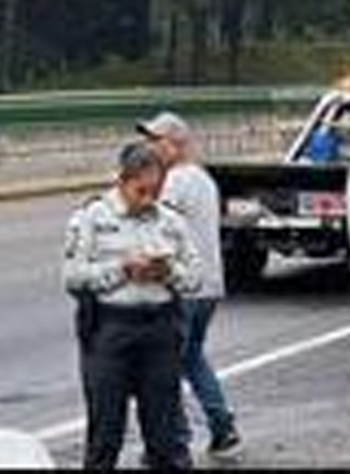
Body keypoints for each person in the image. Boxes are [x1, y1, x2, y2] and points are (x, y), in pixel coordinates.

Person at [65, 141, 202, 471]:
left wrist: (167, 272)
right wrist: (123, 270)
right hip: (110, 331)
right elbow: (73, 278)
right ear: (123, 181)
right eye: (141, 190)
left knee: (164, 434)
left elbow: (196, 277)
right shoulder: (91, 218)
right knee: (106, 432)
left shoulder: (170, 220)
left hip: (160, 329)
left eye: (155, 191)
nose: (148, 199)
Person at [138, 112, 242, 458]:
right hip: (209, 287)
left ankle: (171, 443)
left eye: (156, 141)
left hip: (184, 290)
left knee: (163, 367)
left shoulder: (176, 182)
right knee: (192, 358)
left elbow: (156, 230)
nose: (149, 148)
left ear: (176, 144)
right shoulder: (203, 179)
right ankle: (222, 426)